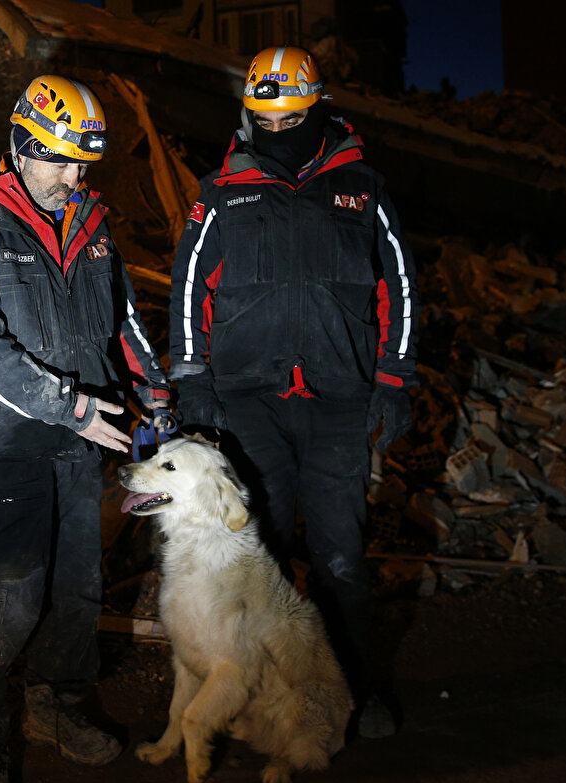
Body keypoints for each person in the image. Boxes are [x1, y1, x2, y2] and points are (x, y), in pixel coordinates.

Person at [0, 75, 170, 783]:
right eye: (60, 160)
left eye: (83, 163)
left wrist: (153, 390)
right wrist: (69, 406)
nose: (74, 176)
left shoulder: (91, 226)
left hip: (77, 443)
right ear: (21, 147)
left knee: (76, 591)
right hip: (3, 447)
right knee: (6, 600)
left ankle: (59, 707)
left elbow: (121, 321)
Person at [168, 46, 418, 740]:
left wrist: (394, 381)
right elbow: (189, 287)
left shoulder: (362, 187)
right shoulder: (223, 190)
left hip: (339, 400)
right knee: (262, 557)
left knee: (340, 556)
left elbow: (397, 284)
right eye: (263, 120)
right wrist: (192, 381)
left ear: (316, 109)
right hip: (249, 402)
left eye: (290, 119)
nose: (276, 132)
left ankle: (353, 695)